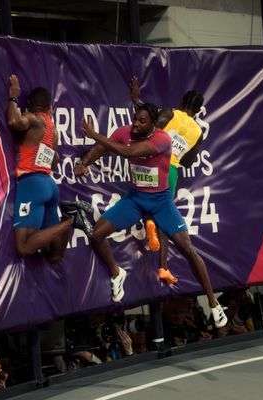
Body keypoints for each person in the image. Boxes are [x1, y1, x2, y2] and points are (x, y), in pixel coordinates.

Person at [75, 103, 227, 328]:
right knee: (97, 234)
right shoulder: (125, 132)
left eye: (142, 121)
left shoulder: (162, 140)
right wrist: (84, 163)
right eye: (135, 119)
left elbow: (127, 152)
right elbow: (101, 149)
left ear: (153, 124)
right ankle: (117, 273)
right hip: (136, 199)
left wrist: (94, 133)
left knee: (187, 249)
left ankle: (214, 305)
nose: (136, 124)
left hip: (160, 202)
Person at [7, 75, 92, 262]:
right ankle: (69, 219)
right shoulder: (53, 131)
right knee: (53, 255)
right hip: (49, 185)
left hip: (32, 184)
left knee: (23, 247)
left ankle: (71, 219)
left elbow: (14, 122)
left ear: (30, 104)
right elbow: (54, 162)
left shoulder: (33, 118)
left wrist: (13, 97)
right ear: (49, 108)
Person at [130, 77, 205, 286]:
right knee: (163, 213)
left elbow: (149, 125)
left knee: (139, 198)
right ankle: (163, 267)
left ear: (182, 103)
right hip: (171, 170)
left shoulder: (172, 113)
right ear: (198, 112)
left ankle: (148, 221)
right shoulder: (198, 132)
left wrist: (136, 99)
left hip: (153, 162)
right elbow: (188, 162)